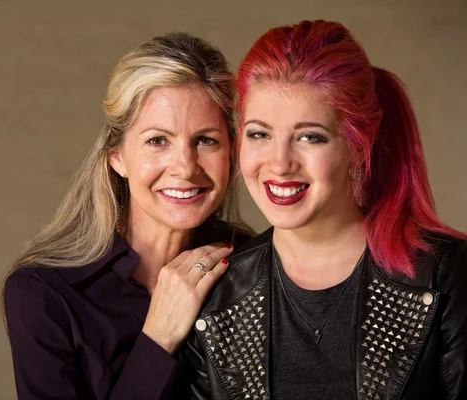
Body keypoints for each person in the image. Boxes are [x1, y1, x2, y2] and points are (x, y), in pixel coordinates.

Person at [185, 20, 467, 400]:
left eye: (310, 137)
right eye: (259, 134)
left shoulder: (444, 274)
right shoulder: (215, 296)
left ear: (359, 147)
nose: (280, 163)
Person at [0, 32, 252, 400]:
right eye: (157, 140)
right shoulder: (42, 294)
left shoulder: (258, 269)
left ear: (231, 152)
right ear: (117, 156)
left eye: (206, 140)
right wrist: (159, 336)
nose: (185, 166)